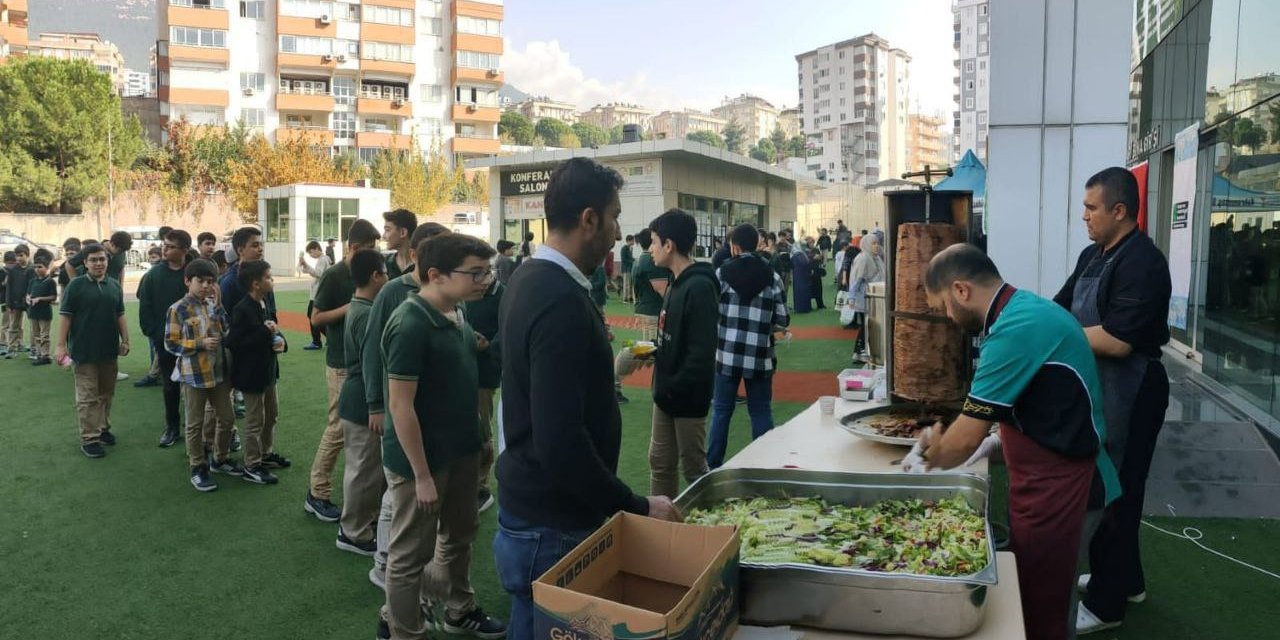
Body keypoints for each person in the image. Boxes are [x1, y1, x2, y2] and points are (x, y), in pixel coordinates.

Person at [494, 158, 681, 640]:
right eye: (615, 216)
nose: (620, 232)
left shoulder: (534, 279)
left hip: (537, 511)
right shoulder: (555, 297)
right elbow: (559, 441)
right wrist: (635, 505)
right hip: (551, 523)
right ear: (589, 219)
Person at [914, 244, 1120, 640]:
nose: (948, 318)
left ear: (960, 290)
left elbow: (960, 440)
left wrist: (928, 455)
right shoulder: (1022, 310)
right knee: (1044, 594)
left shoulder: (1015, 329)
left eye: (943, 307)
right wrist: (991, 443)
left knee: (1042, 609)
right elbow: (1027, 403)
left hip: (1065, 486)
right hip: (1046, 476)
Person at [1053, 168, 1172, 636]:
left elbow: (1120, 341)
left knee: (1115, 492)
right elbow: (1060, 307)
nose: (1083, 216)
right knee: (1117, 485)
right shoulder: (1092, 254)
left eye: (1091, 208)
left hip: (1135, 388)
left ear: (1119, 211)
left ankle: (1107, 604)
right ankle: (1129, 581)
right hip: (1103, 386)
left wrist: (1054, 338)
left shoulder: (1143, 261)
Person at [373, 233, 505, 640]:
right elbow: (400, 407)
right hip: (423, 463)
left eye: (488, 271)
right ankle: (403, 630)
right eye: (476, 273)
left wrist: (478, 441)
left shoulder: (457, 310)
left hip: (461, 453)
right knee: (410, 556)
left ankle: (458, 609)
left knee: (460, 538)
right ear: (436, 275)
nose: (486, 280)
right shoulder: (411, 322)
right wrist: (422, 475)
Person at [362, 222, 451, 589]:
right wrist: (375, 405)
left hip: (433, 415)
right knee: (397, 492)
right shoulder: (394, 293)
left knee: (419, 497)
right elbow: (371, 350)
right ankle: (385, 563)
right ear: (413, 254)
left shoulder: (447, 290)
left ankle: (419, 567)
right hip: (399, 408)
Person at [306, 219, 382, 523]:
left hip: (364, 364)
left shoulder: (370, 272)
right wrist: (352, 307)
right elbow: (315, 317)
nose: (372, 255)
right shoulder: (335, 275)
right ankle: (317, 492)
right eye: (367, 249)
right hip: (340, 363)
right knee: (337, 429)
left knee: (359, 434)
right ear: (352, 248)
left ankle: (360, 495)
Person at [646, 209, 719, 499]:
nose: (650, 249)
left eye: (653, 241)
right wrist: (651, 351)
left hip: (687, 397)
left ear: (669, 245)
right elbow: (671, 337)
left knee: (693, 468)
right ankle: (662, 527)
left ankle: (702, 533)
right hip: (665, 394)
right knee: (660, 463)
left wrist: (673, 386)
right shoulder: (675, 283)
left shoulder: (699, 286)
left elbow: (701, 354)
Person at [707, 224, 790, 468]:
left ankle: (712, 466)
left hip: (726, 356)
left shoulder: (721, 274)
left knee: (721, 412)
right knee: (760, 410)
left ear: (734, 246)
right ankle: (765, 465)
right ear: (758, 244)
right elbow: (783, 320)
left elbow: (712, 312)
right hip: (760, 356)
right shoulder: (772, 276)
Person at [167, 258, 239, 491]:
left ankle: (220, 458)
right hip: (194, 376)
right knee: (195, 424)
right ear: (188, 281)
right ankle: (197, 466)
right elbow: (170, 343)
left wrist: (219, 306)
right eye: (201, 281)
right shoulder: (178, 308)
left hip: (218, 373)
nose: (207, 286)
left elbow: (228, 330)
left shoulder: (212, 305)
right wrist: (199, 343)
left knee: (227, 418)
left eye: (211, 281)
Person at [336, 249, 390, 556]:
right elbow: (371, 364)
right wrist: (375, 405)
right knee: (363, 469)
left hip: (358, 397)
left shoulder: (359, 307)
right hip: (361, 401)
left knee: (366, 468)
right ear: (375, 275)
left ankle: (358, 525)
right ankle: (353, 531)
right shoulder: (367, 313)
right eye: (385, 272)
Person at [57, 243, 130, 458]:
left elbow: (120, 314)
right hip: (84, 351)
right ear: (85, 263)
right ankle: (89, 438)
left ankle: (102, 428)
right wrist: (60, 345)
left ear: (108, 261)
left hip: (108, 351)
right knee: (88, 396)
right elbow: (65, 316)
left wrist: (125, 339)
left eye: (102, 259)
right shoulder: (76, 286)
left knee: (106, 393)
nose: (99, 263)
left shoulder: (114, 286)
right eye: (94, 260)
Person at [226, 259, 291, 485]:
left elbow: (274, 331)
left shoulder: (265, 303)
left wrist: (280, 340)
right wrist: (264, 332)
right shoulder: (242, 309)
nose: (271, 280)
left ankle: (265, 453)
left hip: (268, 371)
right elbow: (234, 342)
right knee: (255, 420)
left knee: (271, 415)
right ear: (255, 284)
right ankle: (251, 464)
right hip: (251, 375)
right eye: (268, 277)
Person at [139, 230, 194, 448]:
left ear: (185, 250)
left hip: (195, 340)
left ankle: (197, 428)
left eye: (171, 246)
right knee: (170, 385)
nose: (165, 249)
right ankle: (172, 427)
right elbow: (146, 307)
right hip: (166, 341)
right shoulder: (153, 275)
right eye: (164, 244)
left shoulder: (195, 271)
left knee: (197, 387)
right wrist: (153, 332)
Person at [465, 264, 504, 513]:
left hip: (485, 370)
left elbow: (507, 329)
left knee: (481, 427)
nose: (480, 279)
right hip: (461, 367)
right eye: (474, 273)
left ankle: (481, 485)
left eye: (484, 273)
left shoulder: (503, 294)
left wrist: (488, 345)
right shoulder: (464, 291)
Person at [615, 228, 671, 403]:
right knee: (650, 350)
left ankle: (613, 381)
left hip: (647, 310)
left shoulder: (642, 260)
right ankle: (613, 382)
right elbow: (663, 290)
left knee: (649, 350)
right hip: (652, 312)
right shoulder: (650, 261)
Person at [847, 234, 885, 356]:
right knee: (866, 324)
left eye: (877, 243)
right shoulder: (863, 258)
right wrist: (851, 298)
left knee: (871, 324)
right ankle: (858, 351)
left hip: (876, 296)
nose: (876, 246)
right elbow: (856, 279)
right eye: (873, 243)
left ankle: (867, 350)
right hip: (865, 297)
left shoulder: (876, 258)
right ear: (867, 244)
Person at [298, 240, 331, 350]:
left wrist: (306, 264)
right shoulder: (323, 259)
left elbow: (318, 273)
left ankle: (317, 341)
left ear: (317, 249)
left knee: (312, 316)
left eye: (311, 252)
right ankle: (328, 338)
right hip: (318, 293)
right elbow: (312, 272)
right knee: (315, 317)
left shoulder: (323, 260)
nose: (311, 255)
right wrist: (304, 265)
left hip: (318, 294)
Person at [25, 256, 57, 366]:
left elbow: (53, 297)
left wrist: (40, 299)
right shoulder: (32, 281)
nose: (37, 269)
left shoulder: (50, 281)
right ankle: (39, 353)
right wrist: (28, 299)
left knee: (44, 335)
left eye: (40, 267)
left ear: (46, 267)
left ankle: (45, 355)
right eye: (35, 267)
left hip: (44, 312)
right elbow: (28, 294)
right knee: (36, 334)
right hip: (33, 311)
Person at [5, 244, 32, 357]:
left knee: (34, 326)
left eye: (21, 255)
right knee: (14, 325)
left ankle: (35, 349)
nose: (19, 258)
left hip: (30, 302)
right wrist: (9, 303)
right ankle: (12, 349)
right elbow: (9, 287)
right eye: (17, 256)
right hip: (15, 302)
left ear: (27, 255)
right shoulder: (13, 270)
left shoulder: (33, 268)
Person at [383, 208, 419, 280]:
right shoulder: (385, 264)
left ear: (403, 232)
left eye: (387, 230)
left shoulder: (422, 265)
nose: (383, 236)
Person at [790, 247, 812, 313]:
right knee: (805, 290)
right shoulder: (804, 255)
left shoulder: (794, 256)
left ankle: (799, 308)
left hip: (797, 277)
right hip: (804, 277)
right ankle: (806, 307)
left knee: (798, 291)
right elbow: (807, 264)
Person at [620, 234, 636, 303]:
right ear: (629, 241)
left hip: (630, 268)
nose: (634, 242)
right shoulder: (624, 248)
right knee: (626, 284)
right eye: (633, 240)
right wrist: (632, 261)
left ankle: (630, 298)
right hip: (626, 269)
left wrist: (634, 260)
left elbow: (630, 258)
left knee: (630, 284)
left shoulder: (630, 248)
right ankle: (625, 299)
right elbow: (624, 259)